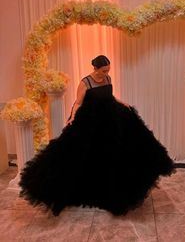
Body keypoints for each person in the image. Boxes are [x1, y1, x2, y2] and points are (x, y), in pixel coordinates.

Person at [19, 55, 175, 216]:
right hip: (91, 120)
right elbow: (78, 102)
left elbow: (110, 97)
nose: (106, 72)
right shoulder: (85, 82)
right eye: (103, 70)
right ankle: (86, 189)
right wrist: (72, 116)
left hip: (110, 118)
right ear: (95, 68)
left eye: (108, 70)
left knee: (114, 152)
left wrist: (122, 103)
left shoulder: (107, 78)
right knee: (85, 154)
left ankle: (109, 190)